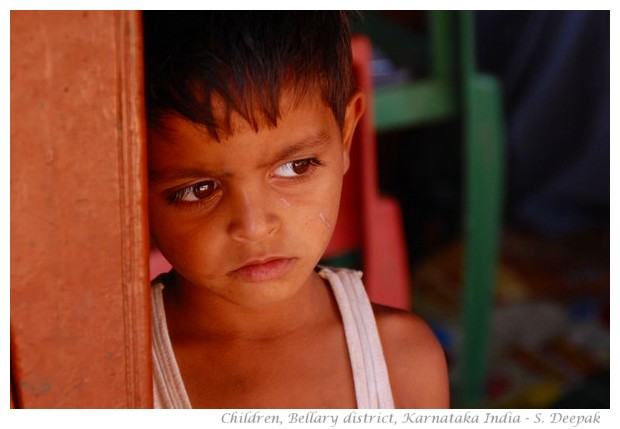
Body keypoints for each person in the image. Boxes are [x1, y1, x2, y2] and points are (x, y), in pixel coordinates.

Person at [143, 11, 449, 409]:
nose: (255, 227)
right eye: (200, 190)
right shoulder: (114, 373)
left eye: (295, 167)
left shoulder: (404, 363)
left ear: (345, 135)